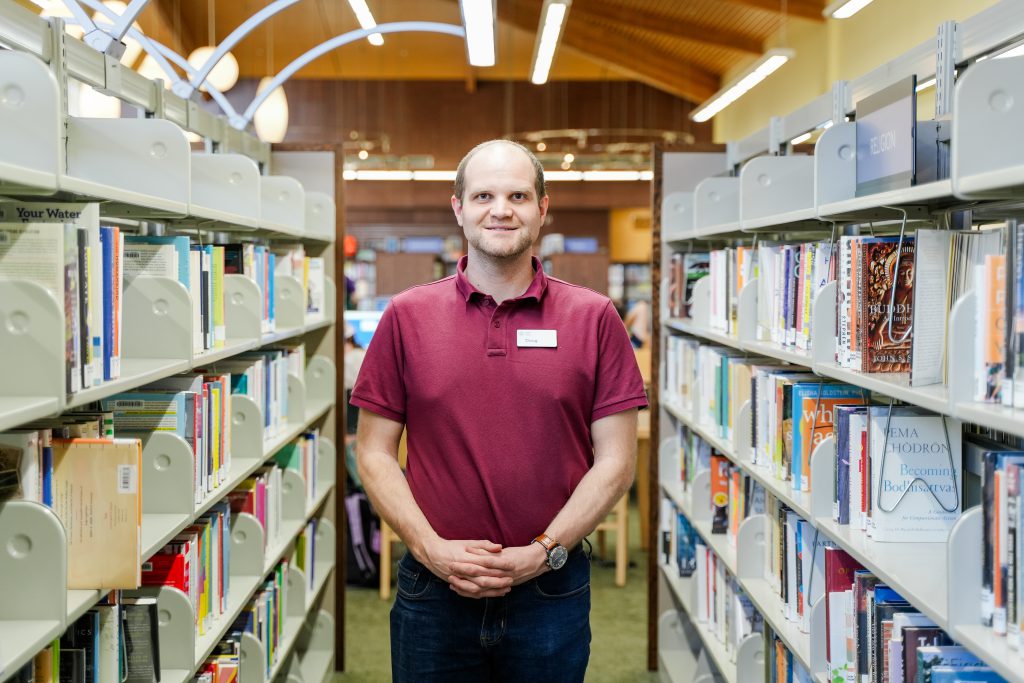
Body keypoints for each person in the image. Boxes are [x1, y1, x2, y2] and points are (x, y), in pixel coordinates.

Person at [350, 139, 648, 682]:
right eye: (484, 194)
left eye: (518, 195)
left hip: (551, 590)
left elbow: (616, 464)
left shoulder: (595, 317)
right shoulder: (406, 316)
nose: (502, 209)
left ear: (542, 210)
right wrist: (430, 547)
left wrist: (543, 551)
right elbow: (372, 451)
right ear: (459, 208)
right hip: (433, 591)